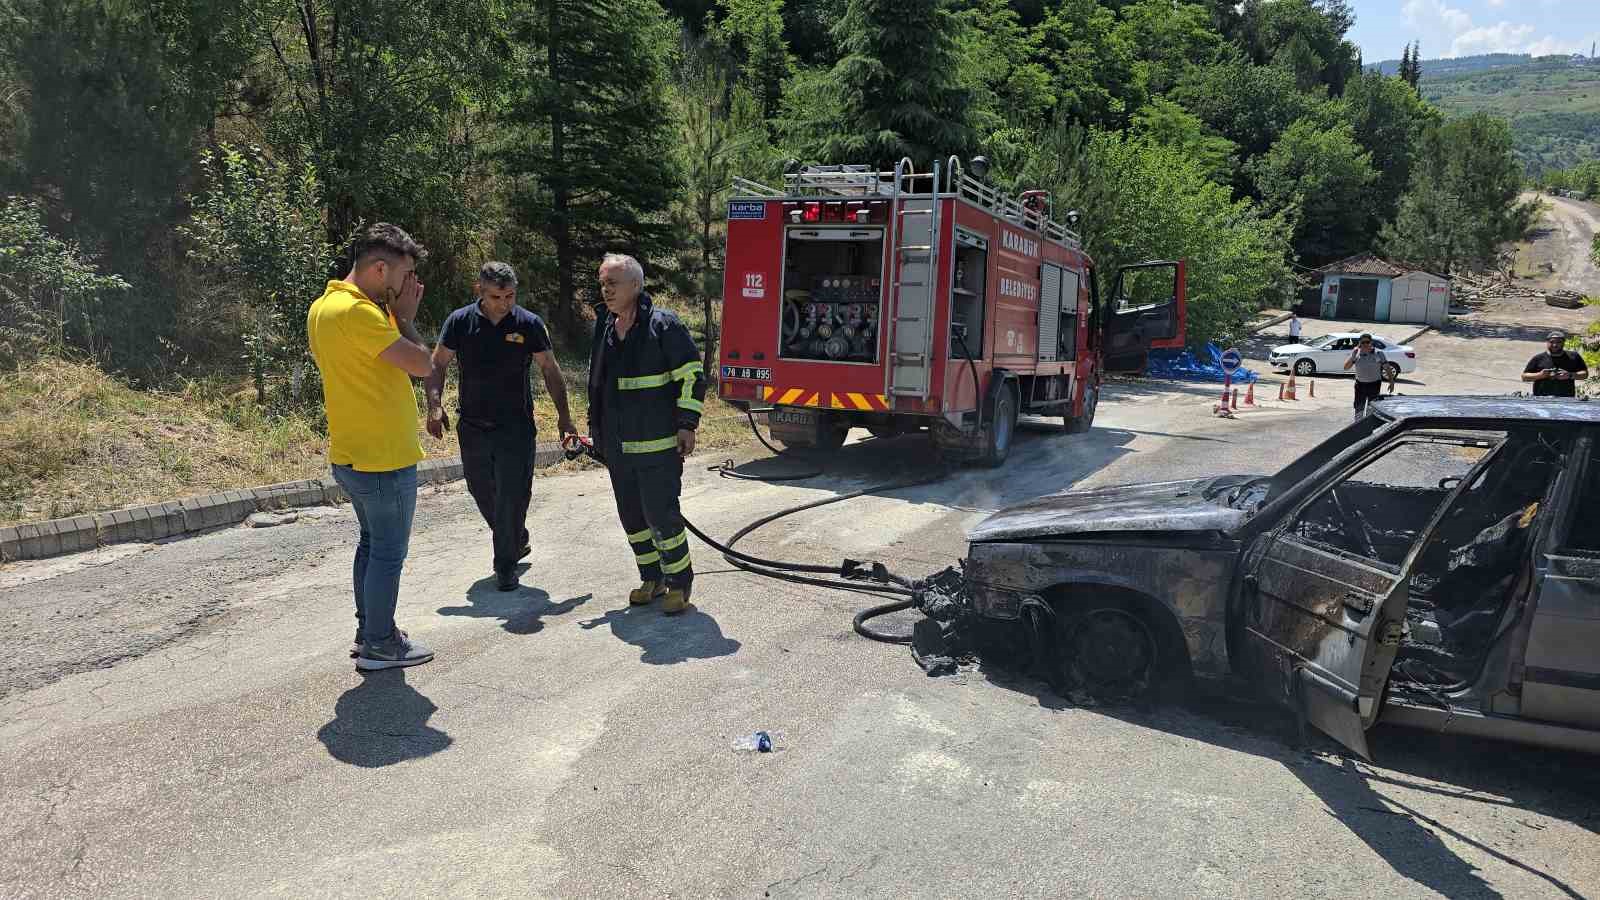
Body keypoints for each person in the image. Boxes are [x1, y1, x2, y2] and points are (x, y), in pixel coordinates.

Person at [307, 223, 436, 671]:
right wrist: (405, 316)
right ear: (381, 269)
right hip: (383, 458)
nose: (410, 286)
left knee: (371, 544)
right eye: (406, 275)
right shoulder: (359, 314)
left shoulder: (324, 306)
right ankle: (380, 643)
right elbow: (423, 365)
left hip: (353, 452)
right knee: (387, 552)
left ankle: (370, 632)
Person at [425, 262, 577, 591]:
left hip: (516, 426)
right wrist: (435, 406)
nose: (504, 303)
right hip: (474, 425)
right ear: (479, 291)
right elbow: (437, 364)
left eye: (510, 295)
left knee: (513, 494)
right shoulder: (460, 322)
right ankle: (515, 536)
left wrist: (564, 417)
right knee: (482, 491)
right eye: (496, 296)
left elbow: (550, 370)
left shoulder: (528, 324)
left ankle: (504, 564)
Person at [586, 253, 705, 614]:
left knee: (661, 515)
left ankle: (679, 584)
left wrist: (687, 424)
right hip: (618, 446)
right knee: (633, 518)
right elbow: (598, 383)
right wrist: (596, 431)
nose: (606, 290)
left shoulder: (663, 326)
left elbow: (691, 376)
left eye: (613, 283)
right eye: (603, 283)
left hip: (658, 445)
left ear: (635, 286)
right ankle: (651, 578)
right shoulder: (606, 324)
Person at [1522, 331, 1589, 398]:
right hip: (1541, 400)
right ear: (1547, 342)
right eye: (1552, 342)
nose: (1555, 345)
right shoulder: (1538, 358)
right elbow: (1524, 377)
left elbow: (1585, 374)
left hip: (1567, 400)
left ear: (1563, 343)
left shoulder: (1573, 356)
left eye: (1558, 342)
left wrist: (1570, 375)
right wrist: (1540, 375)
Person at [1342, 332, 1385, 421]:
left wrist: (1391, 382)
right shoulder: (1356, 353)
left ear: (1371, 342)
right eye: (1363, 342)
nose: (1365, 344)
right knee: (1359, 407)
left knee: (1372, 407)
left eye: (1367, 342)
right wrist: (1353, 356)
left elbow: (1387, 367)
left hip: (1374, 385)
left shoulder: (1377, 353)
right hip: (1360, 385)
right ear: (1359, 343)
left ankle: (1370, 425)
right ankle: (1358, 425)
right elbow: (1346, 367)